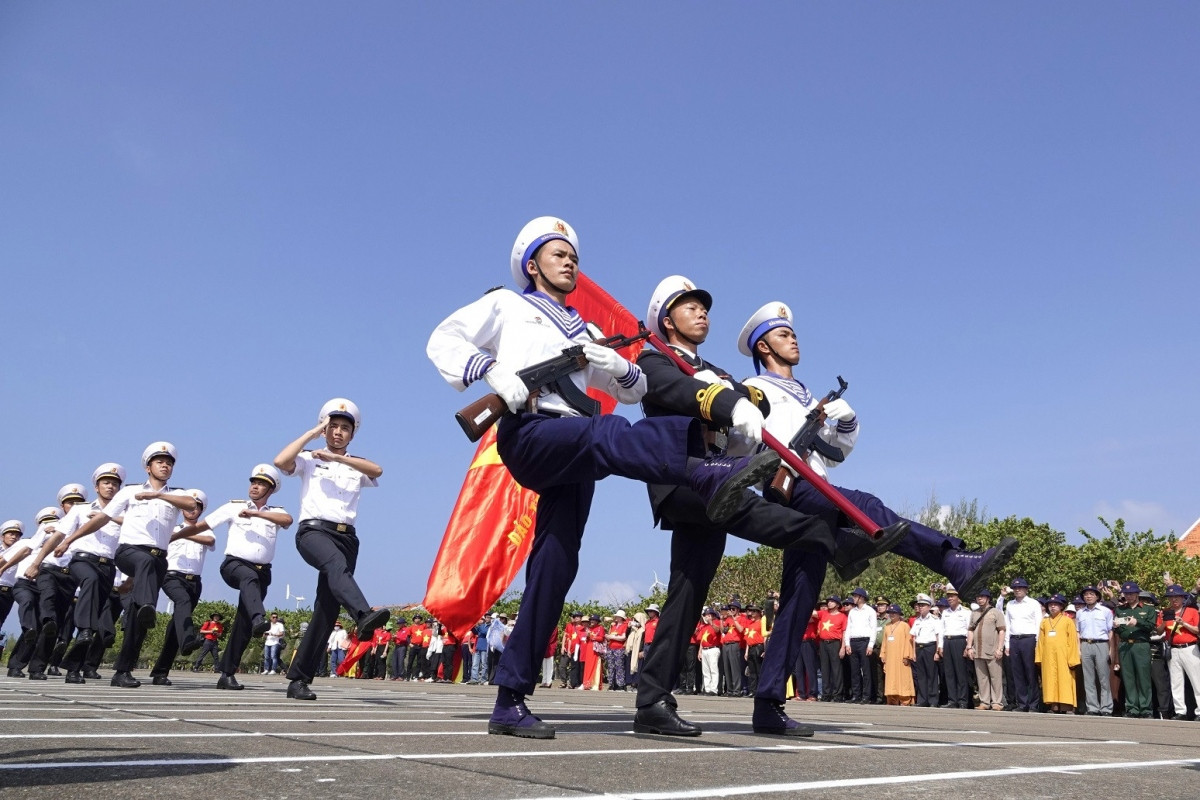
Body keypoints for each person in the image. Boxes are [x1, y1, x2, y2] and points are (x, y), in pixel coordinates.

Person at [427, 219, 782, 739]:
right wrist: (489, 368)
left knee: (556, 563)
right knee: (605, 433)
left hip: (571, 445)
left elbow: (635, 390)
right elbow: (444, 338)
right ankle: (702, 476)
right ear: (532, 265)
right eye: (557, 254)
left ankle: (509, 698)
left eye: (573, 255)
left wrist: (614, 364)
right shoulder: (508, 304)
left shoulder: (585, 330)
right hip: (532, 432)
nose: (570, 261)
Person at [632, 278, 906, 739]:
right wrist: (713, 394)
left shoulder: (717, 370)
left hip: (717, 477)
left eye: (704, 307)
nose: (702, 313)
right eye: (689, 307)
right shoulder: (654, 359)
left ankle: (653, 700)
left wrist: (743, 397)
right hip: (683, 480)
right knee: (779, 522)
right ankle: (837, 544)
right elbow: (672, 393)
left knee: (688, 593)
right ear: (665, 319)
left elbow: (748, 414)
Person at [274, 399, 390, 700]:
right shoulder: (309, 459)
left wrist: (340, 459)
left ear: (352, 434)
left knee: (326, 610)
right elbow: (280, 462)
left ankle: (298, 680)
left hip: (347, 537)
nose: (338, 432)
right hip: (313, 532)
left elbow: (377, 469)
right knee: (335, 565)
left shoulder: (355, 465)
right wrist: (312, 434)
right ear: (325, 429)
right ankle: (363, 614)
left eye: (344, 429)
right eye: (333, 427)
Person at [65, 442, 199, 688]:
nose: (165, 466)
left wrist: (158, 495)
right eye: (160, 462)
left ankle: (122, 672)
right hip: (130, 553)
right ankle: (146, 605)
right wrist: (71, 539)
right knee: (145, 566)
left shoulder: (178, 494)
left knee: (138, 622)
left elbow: (192, 505)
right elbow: (103, 519)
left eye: (169, 463)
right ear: (148, 467)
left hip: (158, 560)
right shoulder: (129, 492)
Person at [49, 464, 126, 683]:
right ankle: (83, 628)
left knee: (95, 623)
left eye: (114, 484)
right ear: (96, 486)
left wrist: (108, 517)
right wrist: (40, 558)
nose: (110, 487)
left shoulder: (123, 513)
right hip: (81, 560)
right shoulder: (80, 509)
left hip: (108, 567)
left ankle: (73, 670)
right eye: (106, 483)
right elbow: (60, 532)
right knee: (89, 582)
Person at [149, 489, 213, 685]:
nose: (192, 510)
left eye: (197, 507)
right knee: (182, 601)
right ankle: (188, 640)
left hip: (195, 582)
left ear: (201, 511)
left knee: (174, 627)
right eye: (189, 506)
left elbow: (210, 541)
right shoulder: (170, 528)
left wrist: (183, 535)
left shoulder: (205, 530)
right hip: (172, 577)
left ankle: (161, 672)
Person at [1113, 581, 1156, 718]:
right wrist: (1116, 626)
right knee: (1128, 677)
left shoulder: (1148, 609)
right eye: (1126, 594)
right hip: (1125, 645)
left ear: (1137, 594)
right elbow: (1120, 630)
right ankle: (1132, 707)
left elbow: (1150, 626)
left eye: (1131, 593)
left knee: (1143, 677)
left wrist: (1137, 622)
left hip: (1140, 645)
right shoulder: (1120, 609)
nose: (1129, 596)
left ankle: (1145, 708)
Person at [1157, 583, 1200, 718]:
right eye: (1171, 597)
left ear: (1182, 598)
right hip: (1174, 649)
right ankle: (1180, 711)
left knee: (1196, 680)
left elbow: (1198, 630)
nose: (1173, 600)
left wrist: (1184, 623)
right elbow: (1158, 631)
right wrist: (1165, 621)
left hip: (1189, 647)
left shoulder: (1191, 611)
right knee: (1176, 681)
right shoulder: (1165, 612)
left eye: (1176, 597)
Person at [1034, 594, 1079, 713]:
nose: (1052, 607)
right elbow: (1041, 641)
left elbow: (1073, 641)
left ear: (1061, 606)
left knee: (1064, 678)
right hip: (1048, 655)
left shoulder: (1067, 621)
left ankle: (1066, 705)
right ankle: (1053, 704)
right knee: (1050, 679)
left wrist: (1073, 658)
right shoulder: (1045, 622)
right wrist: (1039, 657)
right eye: (1050, 605)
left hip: (1063, 655)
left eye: (1055, 605)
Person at [1003, 577, 1042, 712]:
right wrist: (1007, 644)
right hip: (1014, 639)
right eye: (1015, 588)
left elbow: (1038, 623)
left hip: (1029, 639)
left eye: (1020, 588)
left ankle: (1033, 703)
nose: (1017, 590)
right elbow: (1007, 624)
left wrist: (1037, 642)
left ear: (1026, 589)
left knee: (1030, 672)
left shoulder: (1033, 603)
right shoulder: (1010, 605)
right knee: (1017, 673)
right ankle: (1022, 703)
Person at [1074, 585, 1114, 715]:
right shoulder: (1080, 613)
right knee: (1088, 678)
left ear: (1097, 596)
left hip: (1101, 644)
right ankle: (1092, 707)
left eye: (1091, 594)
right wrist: (1078, 649)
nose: (1088, 596)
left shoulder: (1105, 611)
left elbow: (1110, 631)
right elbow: (1078, 632)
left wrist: (1110, 649)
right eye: (1086, 594)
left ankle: (1106, 707)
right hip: (1086, 644)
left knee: (1104, 677)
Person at [966, 588, 1006, 710]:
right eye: (978, 597)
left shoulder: (996, 612)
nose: (980, 599)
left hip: (992, 649)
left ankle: (997, 702)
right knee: (981, 678)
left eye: (982, 597)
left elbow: (1002, 630)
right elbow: (970, 630)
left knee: (995, 677)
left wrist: (1000, 648)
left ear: (988, 598)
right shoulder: (974, 613)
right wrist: (969, 647)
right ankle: (984, 702)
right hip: (978, 650)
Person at [842, 588, 876, 704]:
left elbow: (873, 629)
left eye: (855, 596)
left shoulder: (870, 611)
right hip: (853, 641)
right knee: (854, 670)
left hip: (864, 641)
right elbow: (848, 628)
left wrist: (871, 644)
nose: (854, 598)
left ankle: (866, 696)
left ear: (861, 597)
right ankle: (856, 695)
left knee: (866, 670)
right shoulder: (852, 612)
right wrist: (847, 643)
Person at [910, 593, 943, 707]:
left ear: (929, 607)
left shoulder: (934, 619)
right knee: (921, 675)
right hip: (920, 648)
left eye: (923, 605)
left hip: (930, 647)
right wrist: (914, 652)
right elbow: (914, 637)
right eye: (919, 605)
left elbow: (938, 635)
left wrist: (937, 652)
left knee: (932, 675)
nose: (921, 607)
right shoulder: (917, 620)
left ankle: (933, 700)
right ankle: (922, 699)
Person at [879, 604, 915, 705]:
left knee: (903, 677)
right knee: (891, 677)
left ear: (899, 614)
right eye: (890, 613)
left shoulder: (905, 626)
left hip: (901, 657)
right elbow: (884, 642)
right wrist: (883, 654)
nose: (892, 615)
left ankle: (905, 699)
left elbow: (909, 642)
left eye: (894, 613)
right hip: (890, 657)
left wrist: (906, 656)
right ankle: (892, 698)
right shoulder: (887, 626)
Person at [604, 610, 629, 690]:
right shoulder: (613, 626)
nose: (616, 618)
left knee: (619, 666)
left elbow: (623, 637)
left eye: (618, 616)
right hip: (611, 647)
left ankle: (620, 684)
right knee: (611, 666)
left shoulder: (624, 625)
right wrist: (608, 636)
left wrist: (612, 637)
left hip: (619, 648)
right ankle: (611, 683)